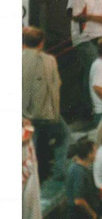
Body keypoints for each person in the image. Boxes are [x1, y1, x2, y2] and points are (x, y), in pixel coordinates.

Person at [22, 27, 67, 182]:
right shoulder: (50, 60)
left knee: (29, 146)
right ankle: (58, 171)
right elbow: (56, 85)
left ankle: (28, 179)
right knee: (64, 136)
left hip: (24, 115)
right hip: (47, 113)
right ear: (41, 44)